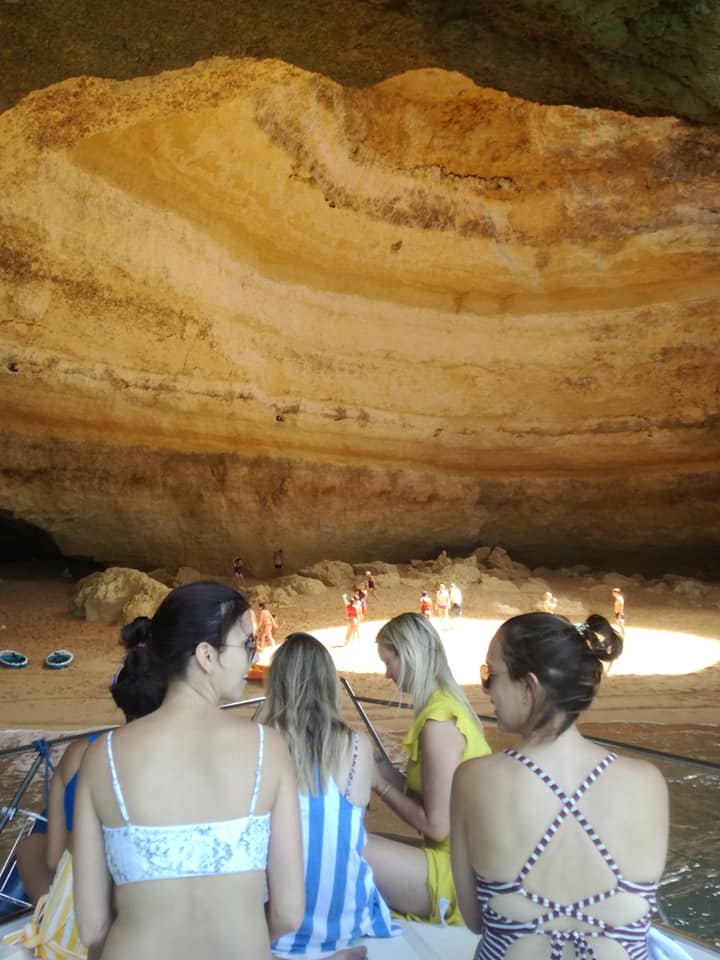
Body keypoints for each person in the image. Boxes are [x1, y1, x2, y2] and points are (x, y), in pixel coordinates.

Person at [73, 581, 304, 960]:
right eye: (248, 644)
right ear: (206, 656)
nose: (254, 656)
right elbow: (289, 913)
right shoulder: (268, 749)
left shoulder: (103, 757)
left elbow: (91, 926)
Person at [451, 612, 668, 960]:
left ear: (529, 687)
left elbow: (475, 920)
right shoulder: (648, 782)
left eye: (490, 674)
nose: (485, 687)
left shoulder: (473, 779)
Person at [6, 647, 167, 959]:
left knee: (31, 846)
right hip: (143, 923)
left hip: (73, 929)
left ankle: (49, 912)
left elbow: (54, 860)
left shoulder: (80, 754)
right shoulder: (183, 761)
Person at [264, 633, 399, 959]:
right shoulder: (357, 746)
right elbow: (352, 825)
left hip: (277, 928)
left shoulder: (262, 743)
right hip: (346, 922)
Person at [365, 613, 491, 925]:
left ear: (409, 656)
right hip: (462, 859)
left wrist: (378, 783)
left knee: (346, 849)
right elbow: (432, 798)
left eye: (389, 662)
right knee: (360, 840)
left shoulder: (439, 724)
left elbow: (436, 825)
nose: (387, 674)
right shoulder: (444, 705)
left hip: (459, 874)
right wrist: (379, 765)